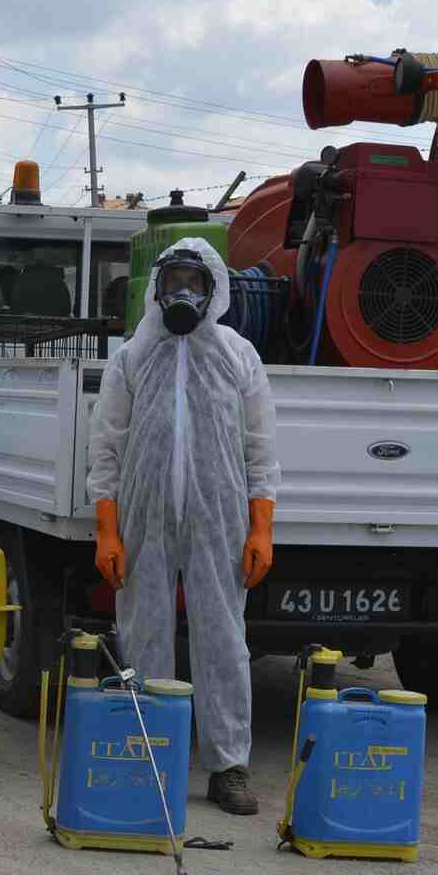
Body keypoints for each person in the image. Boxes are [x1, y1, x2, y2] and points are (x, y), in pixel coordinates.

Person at [85, 240, 279, 815]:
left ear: (214, 286)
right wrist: (107, 530)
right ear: (157, 288)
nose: (184, 294)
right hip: (143, 517)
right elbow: (106, 445)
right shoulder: (133, 356)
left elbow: (261, 447)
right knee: (143, 635)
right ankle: (149, 755)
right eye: (174, 282)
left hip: (219, 519)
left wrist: (261, 528)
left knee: (223, 638)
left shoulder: (237, 353)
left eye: (195, 281)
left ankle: (229, 766)